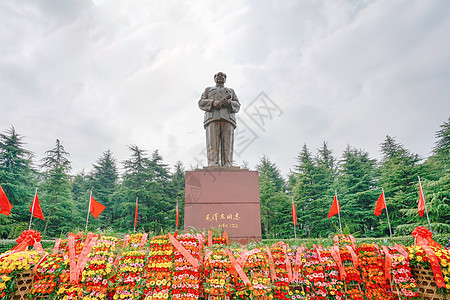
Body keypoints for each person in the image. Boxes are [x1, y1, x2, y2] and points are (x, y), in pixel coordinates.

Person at [198, 72, 241, 167]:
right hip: (212, 118)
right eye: (218, 76)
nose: (220, 77)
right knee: (212, 143)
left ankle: (227, 163)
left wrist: (229, 103)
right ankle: (213, 163)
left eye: (223, 76)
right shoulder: (208, 90)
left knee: (228, 144)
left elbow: (238, 105)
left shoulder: (231, 91)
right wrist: (213, 103)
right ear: (214, 78)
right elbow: (201, 103)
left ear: (225, 79)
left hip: (228, 119)